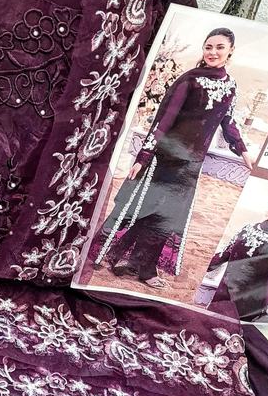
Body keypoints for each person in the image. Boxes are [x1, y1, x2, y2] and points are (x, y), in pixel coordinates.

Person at [94, 27, 253, 288]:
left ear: (231, 50)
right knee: (150, 210)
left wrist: (244, 152)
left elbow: (229, 122)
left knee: (167, 217)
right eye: (208, 47)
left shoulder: (231, 86)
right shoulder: (189, 80)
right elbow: (163, 120)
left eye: (220, 47)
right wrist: (143, 156)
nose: (213, 52)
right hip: (166, 158)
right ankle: (131, 262)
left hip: (191, 165)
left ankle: (132, 261)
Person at [204, 190, 268, 323]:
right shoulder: (248, 229)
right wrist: (197, 265)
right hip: (221, 299)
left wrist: (266, 319)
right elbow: (223, 255)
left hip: (246, 310)